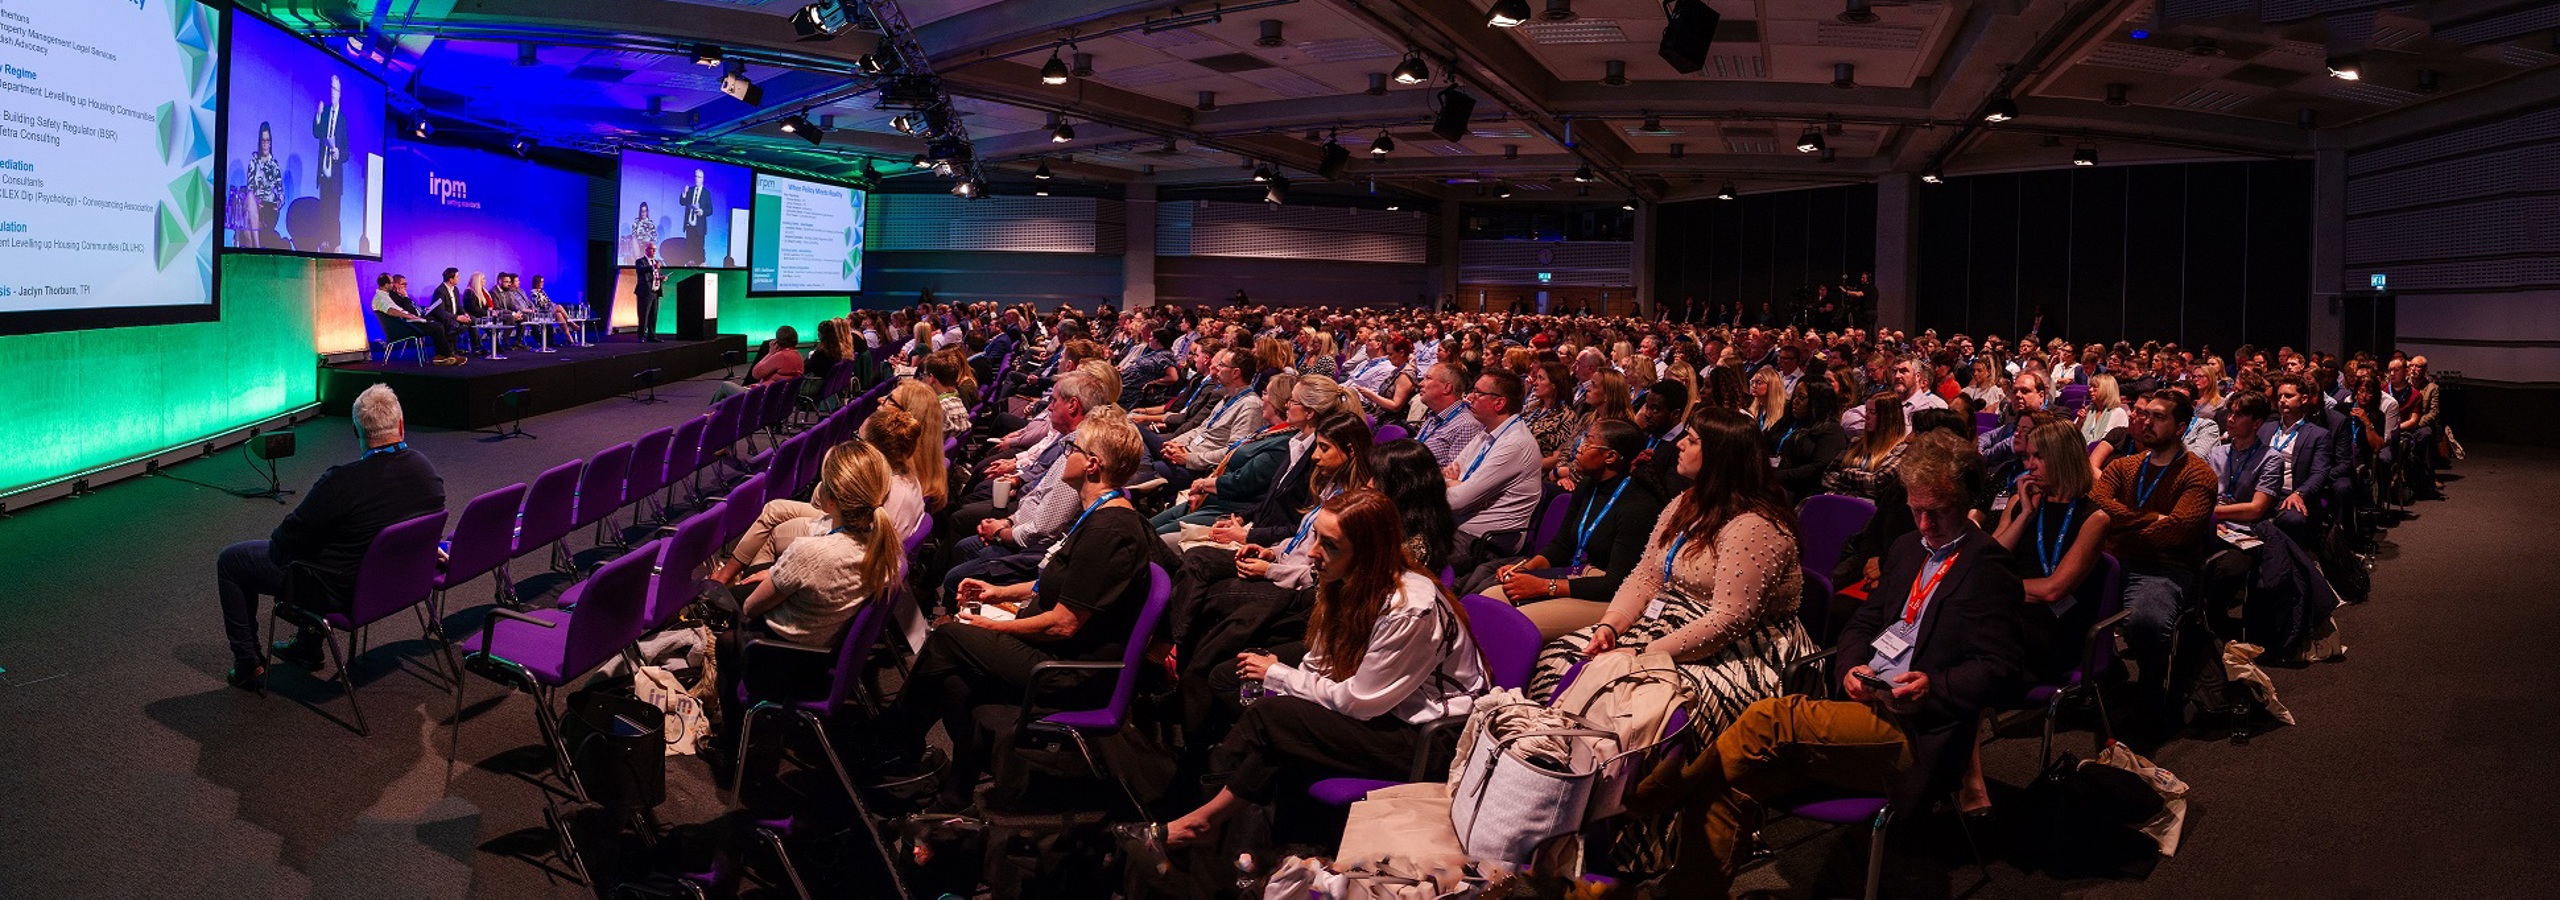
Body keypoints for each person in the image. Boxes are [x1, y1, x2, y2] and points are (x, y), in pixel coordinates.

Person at [1624, 431, 2031, 898]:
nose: (1924, 523)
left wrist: (1932, 686)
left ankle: (1654, 796)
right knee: (1731, 786)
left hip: (1917, 730)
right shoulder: (1905, 550)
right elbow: (1862, 625)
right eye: (1917, 509)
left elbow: (2001, 668)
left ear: (1965, 501)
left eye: (1937, 511)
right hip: (1865, 702)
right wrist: (1851, 669)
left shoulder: (1988, 567)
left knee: (1768, 718)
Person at [1164, 489, 1489, 847]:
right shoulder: (1345, 582)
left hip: (1427, 738)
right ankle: (1212, 821)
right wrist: (1289, 682)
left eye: (1330, 544)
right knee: (1247, 694)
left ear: (1367, 554)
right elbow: (1319, 664)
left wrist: (1278, 676)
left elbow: (1360, 702)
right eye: (1316, 535)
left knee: (1271, 716)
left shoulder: (1411, 607)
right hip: (1382, 713)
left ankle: (1198, 814)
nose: (1313, 551)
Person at [888, 412, 1173, 812]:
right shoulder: (1101, 515)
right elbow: (1053, 583)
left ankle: (891, 744)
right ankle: (956, 788)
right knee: (955, 679)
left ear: (1093, 464)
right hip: (1056, 653)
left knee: (950, 638)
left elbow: (1063, 624)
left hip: (1070, 671)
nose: (1067, 453)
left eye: (1074, 448)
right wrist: (997, 591)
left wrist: (991, 627)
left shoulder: (1109, 531)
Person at [1529, 408, 1814, 713]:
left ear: (1719, 457)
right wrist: (1611, 626)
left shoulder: (1756, 525)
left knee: (1628, 695)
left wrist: (1642, 652)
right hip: (1672, 618)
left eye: (1691, 441)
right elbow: (1647, 575)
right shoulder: (1686, 502)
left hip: (1742, 648)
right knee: (1561, 657)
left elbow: (1729, 621)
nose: (1679, 444)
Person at [216, 384, 445, 693]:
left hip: (344, 591)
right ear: (401, 425)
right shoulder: (426, 470)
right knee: (333, 546)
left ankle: (247, 663)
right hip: (398, 582)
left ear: (356, 431)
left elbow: (285, 541)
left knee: (233, 561)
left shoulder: (342, 483)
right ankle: (307, 646)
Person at [711, 439, 904, 755]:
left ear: (827, 499)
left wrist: (776, 576)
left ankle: (730, 746)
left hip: (788, 662)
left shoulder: (811, 552)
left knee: (727, 639)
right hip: (827, 645)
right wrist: (778, 575)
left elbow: (751, 607)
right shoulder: (886, 547)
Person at [1477, 420, 1668, 640]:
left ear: (1611, 457)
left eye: (1588, 442)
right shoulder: (1589, 485)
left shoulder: (1638, 506)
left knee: (1514, 624)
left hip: (1612, 596)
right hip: (1581, 575)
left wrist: (1544, 586)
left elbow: (1615, 583)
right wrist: (1525, 569)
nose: (1578, 446)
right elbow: (1562, 546)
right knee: (1488, 599)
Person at [2088, 391, 2218, 714]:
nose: (2146, 422)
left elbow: (2175, 533)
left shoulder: (2199, 476)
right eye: (2146, 415)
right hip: (2113, 560)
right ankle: (2107, 673)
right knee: (2062, 597)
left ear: (2180, 428)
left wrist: (2113, 531)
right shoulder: (2122, 467)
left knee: (2146, 621)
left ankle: (2153, 688)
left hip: (2163, 568)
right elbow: (2095, 504)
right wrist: (2147, 518)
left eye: (2158, 417)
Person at [1444, 369, 1544, 570]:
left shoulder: (1514, 444)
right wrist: (1460, 485)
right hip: (1457, 528)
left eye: (1478, 393)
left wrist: (1460, 486)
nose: (1470, 397)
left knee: (1409, 554)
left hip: (1484, 543)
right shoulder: (1487, 432)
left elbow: (1456, 501)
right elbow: (1448, 472)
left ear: (1499, 403)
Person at [1772, 378, 1849, 504]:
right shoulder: (1792, 421)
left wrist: (1774, 476)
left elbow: (1817, 470)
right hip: (1781, 484)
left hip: (1807, 496)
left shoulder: (1832, 431)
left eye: (1801, 397)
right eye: (1795, 396)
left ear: (1817, 401)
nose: (1795, 401)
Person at [371, 273, 459, 365]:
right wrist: (410, 314)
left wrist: (419, 311)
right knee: (437, 326)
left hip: (411, 321)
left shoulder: (387, 296)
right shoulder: (383, 298)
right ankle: (448, 355)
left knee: (439, 322)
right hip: (405, 326)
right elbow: (392, 311)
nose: (393, 285)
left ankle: (443, 355)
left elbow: (408, 309)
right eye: (392, 282)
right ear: (386, 285)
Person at [1409, 362, 1484, 466]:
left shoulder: (1466, 425)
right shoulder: (1434, 415)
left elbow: (1455, 475)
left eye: (1428, 378)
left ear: (1447, 387)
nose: (1420, 383)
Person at [310, 75, 348, 252]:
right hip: (324, 171)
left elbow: (346, 152)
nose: (332, 93)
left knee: (335, 211)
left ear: (340, 93)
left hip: (335, 175)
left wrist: (338, 152)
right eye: (331, 89)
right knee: (324, 208)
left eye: (335, 90)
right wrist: (317, 115)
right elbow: (317, 133)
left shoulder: (342, 120)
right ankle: (324, 240)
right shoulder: (324, 113)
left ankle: (335, 242)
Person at [245, 122, 285, 249]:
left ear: (271, 142)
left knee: (247, 220)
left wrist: (279, 203)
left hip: (269, 208)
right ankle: (256, 246)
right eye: (263, 140)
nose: (265, 144)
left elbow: (281, 193)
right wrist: (257, 202)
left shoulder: (274, 165)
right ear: (260, 141)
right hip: (256, 204)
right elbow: (250, 186)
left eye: (267, 140)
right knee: (250, 197)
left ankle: (253, 248)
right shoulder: (253, 162)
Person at [680, 168, 713, 266]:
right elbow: (682, 202)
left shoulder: (706, 193)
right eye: (695, 176)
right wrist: (684, 193)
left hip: (700, 226)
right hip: (690, 224)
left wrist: (702, 212)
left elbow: (710, 210)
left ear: (702, 179)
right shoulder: (690, 190)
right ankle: (690, 265)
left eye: (699, 177)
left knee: (699, 248)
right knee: (689, 247)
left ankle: (701, 264)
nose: (696, 179)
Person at [634, 242, 666, 342]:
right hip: (645, 293)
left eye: (655, 249)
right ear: (647, 250)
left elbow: (655, 276)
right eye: (652, 249)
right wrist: (653, 267)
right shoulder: (641, 261)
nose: (655, 251)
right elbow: (641, 270)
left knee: (653, 315)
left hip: (655, 293)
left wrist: (662, 278)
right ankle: (641, 336)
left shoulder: (656, 261)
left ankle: (652, 336)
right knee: (644, 315)